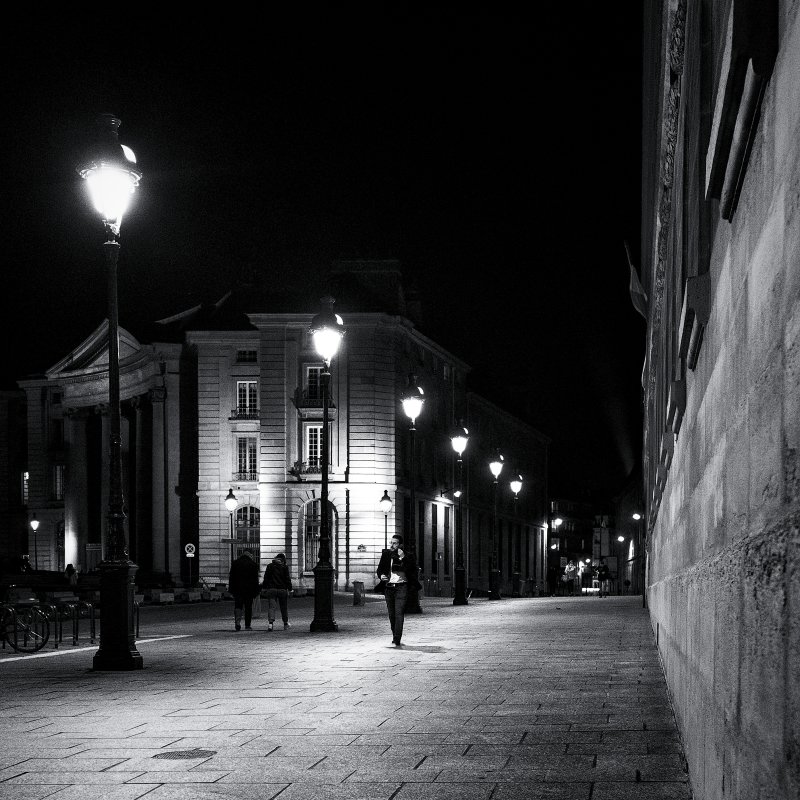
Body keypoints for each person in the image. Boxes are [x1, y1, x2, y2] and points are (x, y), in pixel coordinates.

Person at [376, 534, 421, 647]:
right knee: (392, 614)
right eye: (391, 542)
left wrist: (402, 558)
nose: (392, 545)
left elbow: (411, 570)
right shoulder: (386, 555)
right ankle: (394, 635)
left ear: (400, 544)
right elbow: (380, 569)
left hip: (402, 587)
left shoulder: (407, 556)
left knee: (399, 612)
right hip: (389, 587)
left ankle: (397, 638)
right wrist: (381, 576)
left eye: (395, 543)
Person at [228, 550, 260, 631]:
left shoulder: (235, 563)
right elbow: (255, 580)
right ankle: (247, 625)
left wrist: (231, 590)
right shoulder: (253, 564)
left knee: (238, 606)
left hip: (237, 589)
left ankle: (237, 622)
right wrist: (256, 591)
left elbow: (231, 578)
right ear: (250, 555)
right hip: (249, 590)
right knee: (248, 607)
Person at [262, 552, 293, 631]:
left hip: (272, 589)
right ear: (283, 560)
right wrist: (290, 588)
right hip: (282, 590)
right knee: (283, 607)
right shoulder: (284, 567)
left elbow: (266, 578)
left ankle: (270, 624)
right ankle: (285, 624)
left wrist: (264, 587)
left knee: (271, 607)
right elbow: (287, 579)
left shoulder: (269, 566)